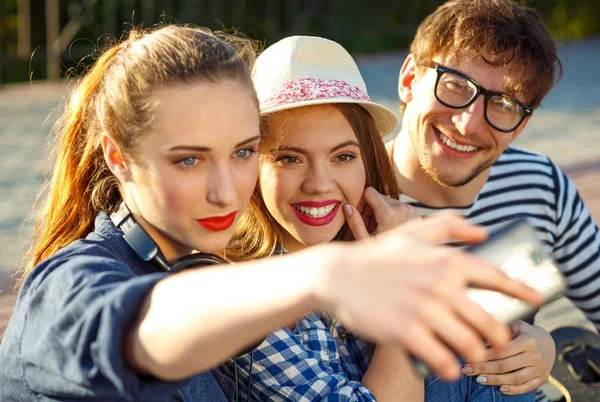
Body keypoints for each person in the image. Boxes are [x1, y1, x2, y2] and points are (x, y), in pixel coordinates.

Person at [0, 25, 542, 401]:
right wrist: (323, 277)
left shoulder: (210, 260)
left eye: (240, 153)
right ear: (119, 158)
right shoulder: (69, 285)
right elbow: (138, 327)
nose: (224, 191)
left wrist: (534, 344)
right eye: (188, 159)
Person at [224, 35, 535, 401]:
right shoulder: (244, 296)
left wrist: (535, 343)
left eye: (343, 157)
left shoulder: (366, 244)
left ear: (367, 163)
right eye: (289, 158)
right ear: (251, 167)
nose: (320, 185)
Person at [386, 0, 600, 400]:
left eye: (504, 104)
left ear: (521, 126)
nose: (468, 123)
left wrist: (545, 347)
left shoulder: (540, 185)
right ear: (410, 79)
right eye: (454, 84)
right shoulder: (340, 192)